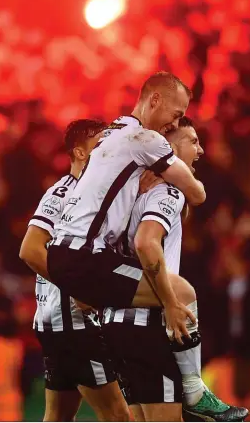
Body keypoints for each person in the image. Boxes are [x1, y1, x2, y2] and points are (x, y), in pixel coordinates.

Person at [103, 117, 249, 422]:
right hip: (148, 324)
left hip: (115, 322)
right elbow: (147, 243)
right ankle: (196, 390)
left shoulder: (124, 192)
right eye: (193, 141)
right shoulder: (167, 193)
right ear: (168, 148)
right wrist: (170, 302)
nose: (202, 150)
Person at [47, 71, 206, 345]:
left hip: (64, 252)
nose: (175, 123)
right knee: (180, 291)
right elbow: (197, 193)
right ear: (155, 100)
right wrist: (169, 304)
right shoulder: (146, 140)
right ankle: (192, 383)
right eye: (176, 114)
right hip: (85, 256)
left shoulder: (113, 131)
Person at [20, 119, 130, 422]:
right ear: (80, 153)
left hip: (58, 322)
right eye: (101, 146)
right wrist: (78, 288)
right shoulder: (65, 193)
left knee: (58, 415)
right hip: (72, 323)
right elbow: (30, 249)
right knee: (118, 415)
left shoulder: (95, 193)